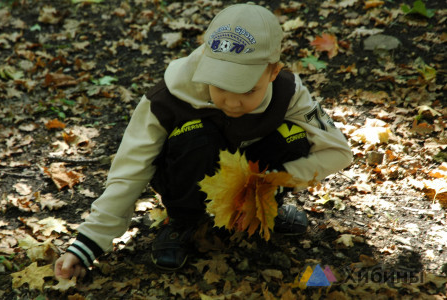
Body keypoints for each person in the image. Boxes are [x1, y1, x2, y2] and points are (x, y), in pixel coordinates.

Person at [54, 3, 352, 278]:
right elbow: (130, 167)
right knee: (194, 135)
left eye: (248, 89)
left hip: (256, 175)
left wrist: (274, 180)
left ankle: (264, 209)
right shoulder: (168, 96)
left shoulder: (291, 94)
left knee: (295, 135)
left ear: (274, 71)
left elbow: (337, 150)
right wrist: (89, 242)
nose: (232, 102)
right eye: (220, 86)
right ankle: (183, 221)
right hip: (189, 171)